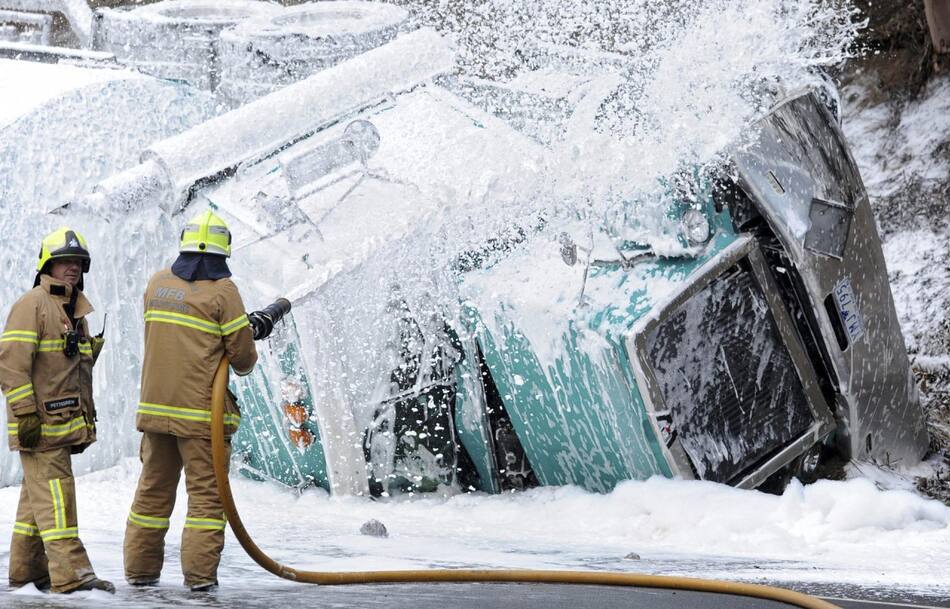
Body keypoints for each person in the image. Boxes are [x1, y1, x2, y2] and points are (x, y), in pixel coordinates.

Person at [124, 210, 258, 591]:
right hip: (201, 417)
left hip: (154, 412)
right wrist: (247, 330)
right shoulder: (223, 292)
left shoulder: (156, 284)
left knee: (151, 494)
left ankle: (139, 576)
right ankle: (199, 584)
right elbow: (243, 360)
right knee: (205, 501)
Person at [0, 228, 114, 594]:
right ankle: (72, 577)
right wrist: (25, 414)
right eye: (65, 261)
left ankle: (26, 574)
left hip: (61, 425)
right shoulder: (32, 305)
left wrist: (86, 352)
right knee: (59, 500)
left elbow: (59, 368)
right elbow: (11, 364)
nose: (73, 268)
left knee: (37, 506)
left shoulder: (73, 309)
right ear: (47, 264)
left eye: (79, 262)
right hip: (41, 427)